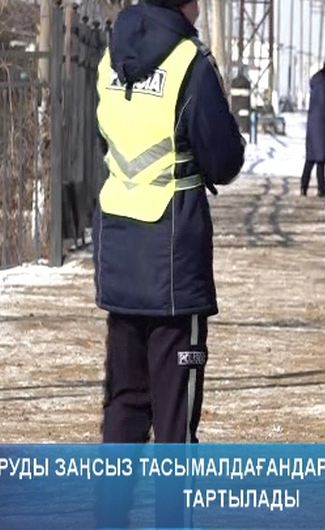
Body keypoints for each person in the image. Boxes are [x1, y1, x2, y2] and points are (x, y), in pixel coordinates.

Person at [93, 0, 244, 446]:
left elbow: (105, 137)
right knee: (176, 419)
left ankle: (112, 495)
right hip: (173, 264)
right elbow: (224, 161)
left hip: (119, 254)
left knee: (124, 403)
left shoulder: (110, 55)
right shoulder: (189, 63)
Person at [302, 60, 325, 196]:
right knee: (320, 158)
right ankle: (321, 188)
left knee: (311, 158)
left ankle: (304, 186)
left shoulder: (316, 81)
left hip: (313, 122)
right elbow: (324, 102)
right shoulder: (324, 82)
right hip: (321, 124)